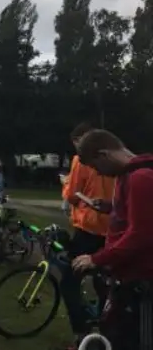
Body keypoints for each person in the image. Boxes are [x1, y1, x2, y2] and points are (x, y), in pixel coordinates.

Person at [72, 129, 153, 350]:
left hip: (142, 283)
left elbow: (142, 235)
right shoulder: (127, 177)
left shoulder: (141, 177)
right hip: (126, 280)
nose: (101, 173)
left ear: (103, 155)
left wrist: (97, 259)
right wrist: (110, 208)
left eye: (97, 168)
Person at [60, 122, 115, 349]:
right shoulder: (112, 158)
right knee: (105, 284)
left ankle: (81, 331)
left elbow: (73, 195)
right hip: (112, 229)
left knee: (70, 280)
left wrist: (65, 185)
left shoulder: (79, 160)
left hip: (89, 227)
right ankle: (105, 333)